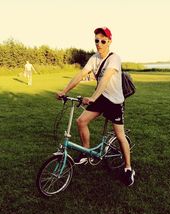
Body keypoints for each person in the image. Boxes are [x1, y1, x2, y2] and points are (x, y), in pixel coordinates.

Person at [56, 27, 135, 186]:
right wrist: (64, 91)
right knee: (81, 121)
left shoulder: (115, 59)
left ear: (109, 42)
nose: (99, 43)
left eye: (103, 41)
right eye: (96, 40)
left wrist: (92, 97)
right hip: (100, 98)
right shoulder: (94, 58)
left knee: (119, 135)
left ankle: (128, 168)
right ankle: (87, 153)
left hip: (114, 101)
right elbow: (80, 75)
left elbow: (105, 79)